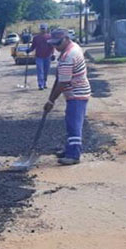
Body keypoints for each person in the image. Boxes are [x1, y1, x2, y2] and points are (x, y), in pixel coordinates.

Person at [43, 28, 91, 165]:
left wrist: (51, 100)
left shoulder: (68, 56)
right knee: (71, 122)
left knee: (74, 124)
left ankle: (73, 155)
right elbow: (59, 79)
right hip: (77, 91)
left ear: (66, 39)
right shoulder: (73, 47)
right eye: (53, 44)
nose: (55, 47)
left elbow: (63, 82)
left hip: (77, 93)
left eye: (58, 43)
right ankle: (69, 149)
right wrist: (50, 99)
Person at [27, 23, 56, 90]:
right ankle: (40, 84)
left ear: (46, 29)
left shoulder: (49, 37)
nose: (43, 30)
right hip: (39, 57)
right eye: (42, 29)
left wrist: (53, 54)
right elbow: (33, 47)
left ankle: (44, 82)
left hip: (47, 56)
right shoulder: (36, 38)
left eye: (44, 28)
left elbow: (52, 47)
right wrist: (29, 50)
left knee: (46, 71)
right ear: (40, 29)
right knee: (40, 71)